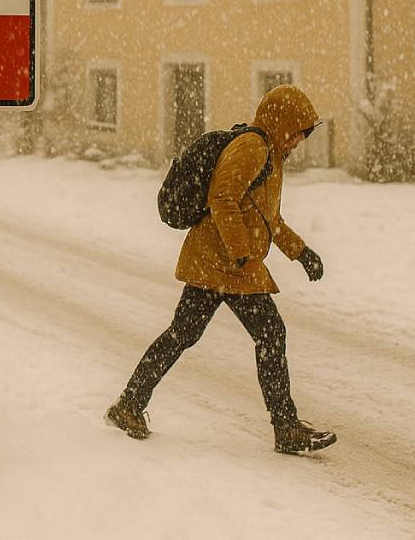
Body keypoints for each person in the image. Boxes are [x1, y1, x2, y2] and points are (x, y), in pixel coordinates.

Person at [106, 84, 335, 455]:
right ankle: (286, 427)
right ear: (280, 124)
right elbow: (222, 197)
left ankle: (129, 404)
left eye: (301, 135)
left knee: (184, 334)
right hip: (222, 262)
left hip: (222, 262)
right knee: (268, 333)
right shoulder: (252, 148)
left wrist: (301, 252)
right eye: (295, 132)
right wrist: (242, 252)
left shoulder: (271, 155)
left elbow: (267, 217)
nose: (297, 141)